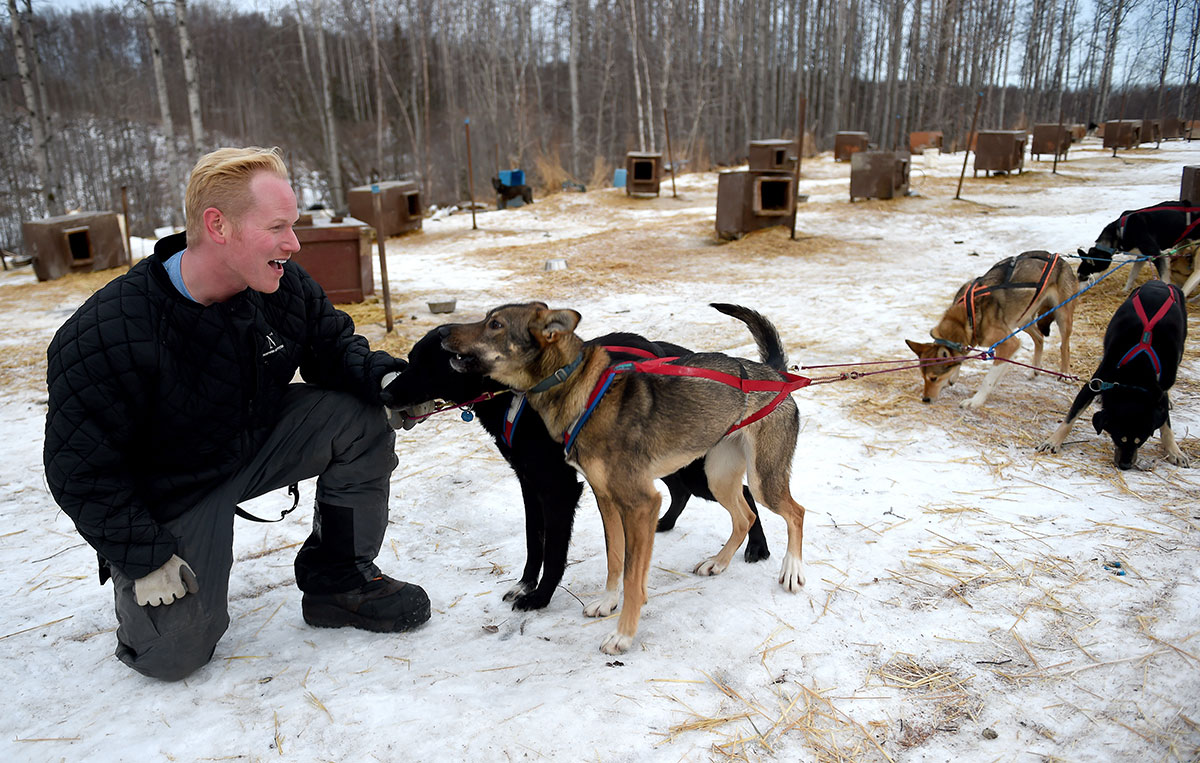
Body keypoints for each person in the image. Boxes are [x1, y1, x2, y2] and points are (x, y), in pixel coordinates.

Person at [44, 146, 429, 682]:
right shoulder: (106, 333)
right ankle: (159, 604)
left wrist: (390, 382)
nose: (293, 244)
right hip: (171, 490)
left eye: (293, 226)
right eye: (278, 227)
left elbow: (333, 347)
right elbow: (79, 470)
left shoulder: (278, 284)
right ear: (217, 225)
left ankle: (338, 583)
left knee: (359, 415)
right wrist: (143, 556)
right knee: (173, 656)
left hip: (248, 443)